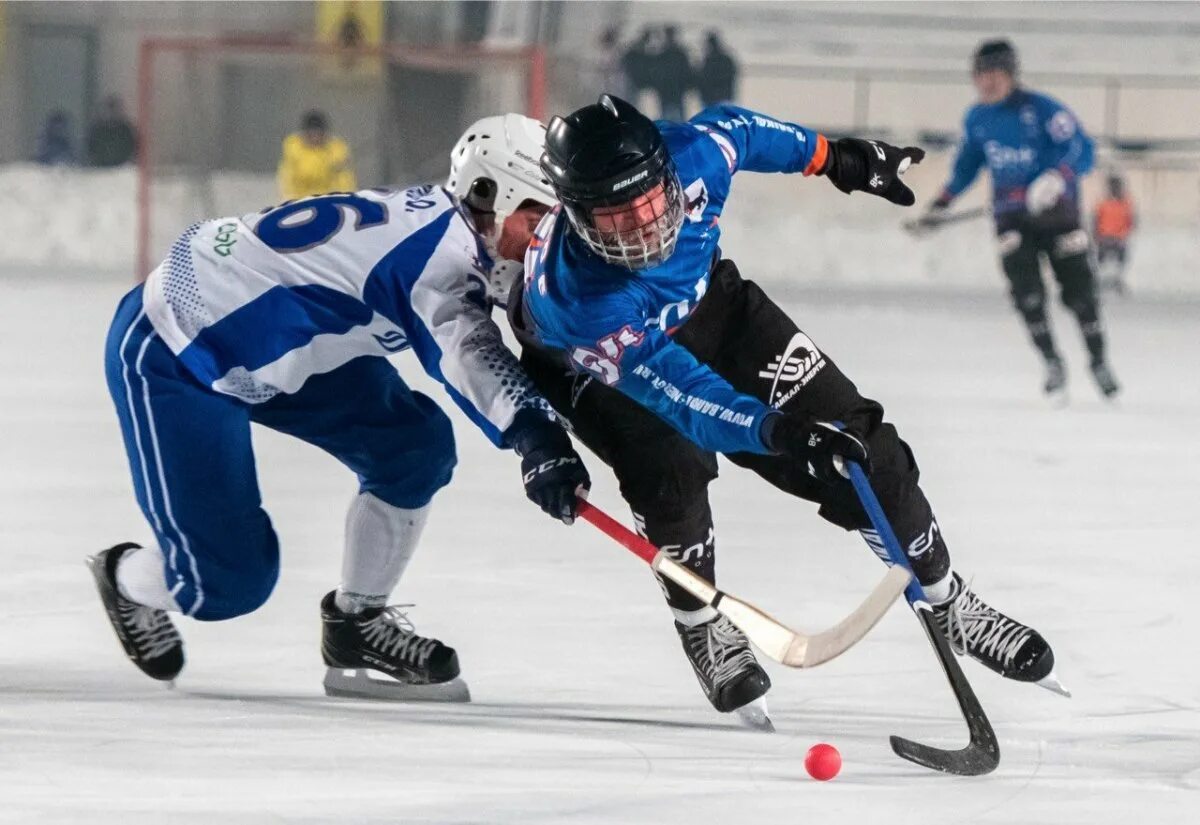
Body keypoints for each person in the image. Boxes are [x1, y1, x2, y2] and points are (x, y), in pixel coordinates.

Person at [506, 94, 1064, 726]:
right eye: (615, 217)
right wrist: (780, 433)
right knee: (672, 470)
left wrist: (839, 159)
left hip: (713, 305)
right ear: (575, 216)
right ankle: (700, 621)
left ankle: (946, 596)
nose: (643, 226)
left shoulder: (695, 156)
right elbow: (683, 395)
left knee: (864, 447)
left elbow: (743, 131)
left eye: (650, 201)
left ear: (667, 175)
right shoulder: (573, 300)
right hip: (604, 366)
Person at [92, 115, 590, 701]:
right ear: (490, 194)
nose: (549, 241)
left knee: (413, 447)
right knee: (228, 583)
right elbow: (468, 349)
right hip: (179, 350)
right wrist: (536, 433)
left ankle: (357, 623)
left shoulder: (442, 224)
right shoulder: (437, 257)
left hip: (274, 343)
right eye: (540, 218)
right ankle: (124, 576)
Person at [922, 39, 1118, 401]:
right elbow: (966, 166)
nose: (988, 82)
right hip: (1011, 218)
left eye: (995, 73)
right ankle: (1052, 362)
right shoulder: (977, 119)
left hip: (1058, 216)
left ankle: (1098, 361)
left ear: (1011, 74)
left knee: (1081, 295)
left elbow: (1083, 150)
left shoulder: (1042, 110)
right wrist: (941, 203)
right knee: (1027, 295)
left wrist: (1057, 177)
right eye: (981, 74)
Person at [277, 110, 357, 200]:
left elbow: (345, 181)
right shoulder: (294, 148)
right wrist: (290, 200)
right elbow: (287, 178)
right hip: (300, 200)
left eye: (319, 133)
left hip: (328, 200)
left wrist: (345, 198)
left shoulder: (336, 150)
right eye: (311, 134)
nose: (315, 138)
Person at [1093, 173, 1135, 295]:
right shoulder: (1103, 203)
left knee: (1121, 260)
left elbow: (1131, 220)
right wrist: (1097, 235)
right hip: (1104, 237)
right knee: (1101, 261)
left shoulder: (1126, 203)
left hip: (1119, 238)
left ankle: (1117, 280)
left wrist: (1126, 234)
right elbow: (1096, 219)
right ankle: (1100, 282)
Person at [649, 25, 693, 121]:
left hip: (668, 91)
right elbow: (687, 72)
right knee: (679, 118)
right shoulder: (680, 53)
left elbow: (655, 73)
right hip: (676, 90)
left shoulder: (662, 54)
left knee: (666, 117)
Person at [86, 95, 138, 167]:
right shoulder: (97, 130)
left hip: (122, 171)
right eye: (109, 109)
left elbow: (133, 149)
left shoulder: (126, 130)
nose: (112, 113)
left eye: (114, 109)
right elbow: (91, 151)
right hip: (101, 171)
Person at [696, 31, 737, 107]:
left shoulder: (708, 60)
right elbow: (732, 76)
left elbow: (703, 79)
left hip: (711, 98)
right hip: (724, 97)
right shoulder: (726, 59)